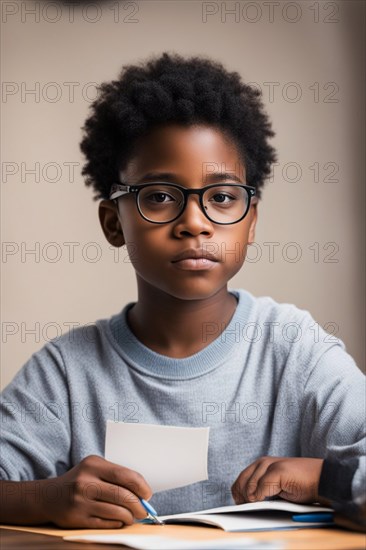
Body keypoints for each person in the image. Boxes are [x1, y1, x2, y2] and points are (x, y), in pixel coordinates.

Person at [1, 52, 365, 530]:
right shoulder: (68, 372)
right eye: (159, 197)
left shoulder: (296, 348)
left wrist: (326, 478)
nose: (195, 222)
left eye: (221, 197)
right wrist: (41, 498)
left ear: (250, 222)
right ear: (114, 223)